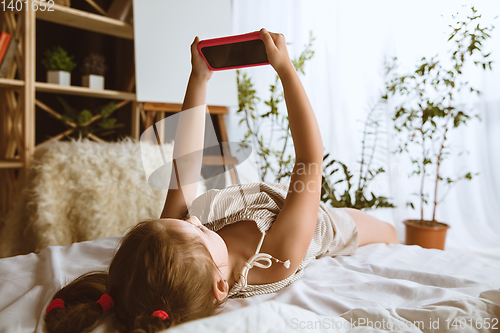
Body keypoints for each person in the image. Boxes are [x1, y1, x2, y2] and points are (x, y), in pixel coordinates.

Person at [44, 28, 398, 333]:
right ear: (219, 286)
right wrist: (286, 70)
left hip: (262, 199)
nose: (193, 219)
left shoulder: (178, 240)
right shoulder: (277, 258)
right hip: (317, 221)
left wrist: (198, 78)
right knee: (389, 234)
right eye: (197, 231)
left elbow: (185, 162)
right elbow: (309, 161)